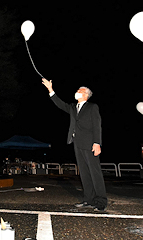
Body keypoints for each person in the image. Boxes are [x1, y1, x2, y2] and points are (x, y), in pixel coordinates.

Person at [42, 78, 107, 212]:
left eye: (80, 91)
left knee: (95, 173)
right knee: (83, 173)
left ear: (86, 95)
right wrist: (50, 89)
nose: (77, 92)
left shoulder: (92, 107)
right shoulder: (73, 107)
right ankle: (88, 199)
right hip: (77, 143)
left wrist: (97, 143)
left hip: (90, 144)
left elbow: (97, 126)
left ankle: (100, 201)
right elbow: (60, 104)